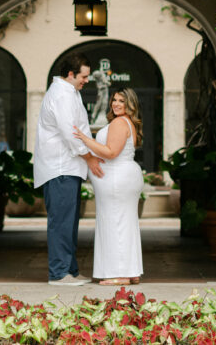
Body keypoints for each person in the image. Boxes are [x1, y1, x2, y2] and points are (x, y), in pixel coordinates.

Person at [33, 53, 105, 286]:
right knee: (62, 222)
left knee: (69, 222)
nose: (86, 81)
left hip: (68, 167)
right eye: (84, 76)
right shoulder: (62, 96)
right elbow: (70, 134)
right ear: (71, 74)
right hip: (60, 167)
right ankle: (59, 273)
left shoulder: (70, 93)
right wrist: (90, 158)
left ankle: (70, 270)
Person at [72, 87, 144, 286]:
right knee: (125, 223)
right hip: (123, 176)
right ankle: (131, 271)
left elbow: (111, 152)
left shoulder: (120, 122)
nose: (116, 104)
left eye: (121, 101)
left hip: (117, 178)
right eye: (114, 100)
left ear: (130, 103)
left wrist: (86, 140)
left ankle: (119, 274)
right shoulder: (127, 122)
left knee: (114, 223)